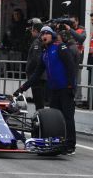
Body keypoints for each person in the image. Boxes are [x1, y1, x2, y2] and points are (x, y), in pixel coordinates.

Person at [14, 26, 77, 155]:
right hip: (54, 91)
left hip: (66, 88)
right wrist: (22, 88)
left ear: (52, 35)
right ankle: (58, 143)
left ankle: (70, 145)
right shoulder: (44, 54)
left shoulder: (60, 47)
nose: (44, 35)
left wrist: (71, 85)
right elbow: (36, 74)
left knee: (68, 117)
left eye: (47, 33)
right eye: (42, 34)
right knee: (55, 119)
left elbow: (71, 66)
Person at [64, 16, 86, 100]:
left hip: (78, 57)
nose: (72, 24)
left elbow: (80, 38)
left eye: (73, 22)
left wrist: (70, 30)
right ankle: (68, 96)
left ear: (77, 21)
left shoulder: (82, 30)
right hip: (68, 57)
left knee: (77, 79)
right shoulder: (67, 29)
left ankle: (77, 99)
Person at [25, 22, 46, 110]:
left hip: (36, 76)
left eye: (32, 31)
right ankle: (40, 116)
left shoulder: (37, 42)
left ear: (36, 31)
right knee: (38, 100)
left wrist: (30, 72)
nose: (31, 33)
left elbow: (36, 59)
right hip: (39, 75)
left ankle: (40, 118)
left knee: (38, 100)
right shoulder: (41, 41)